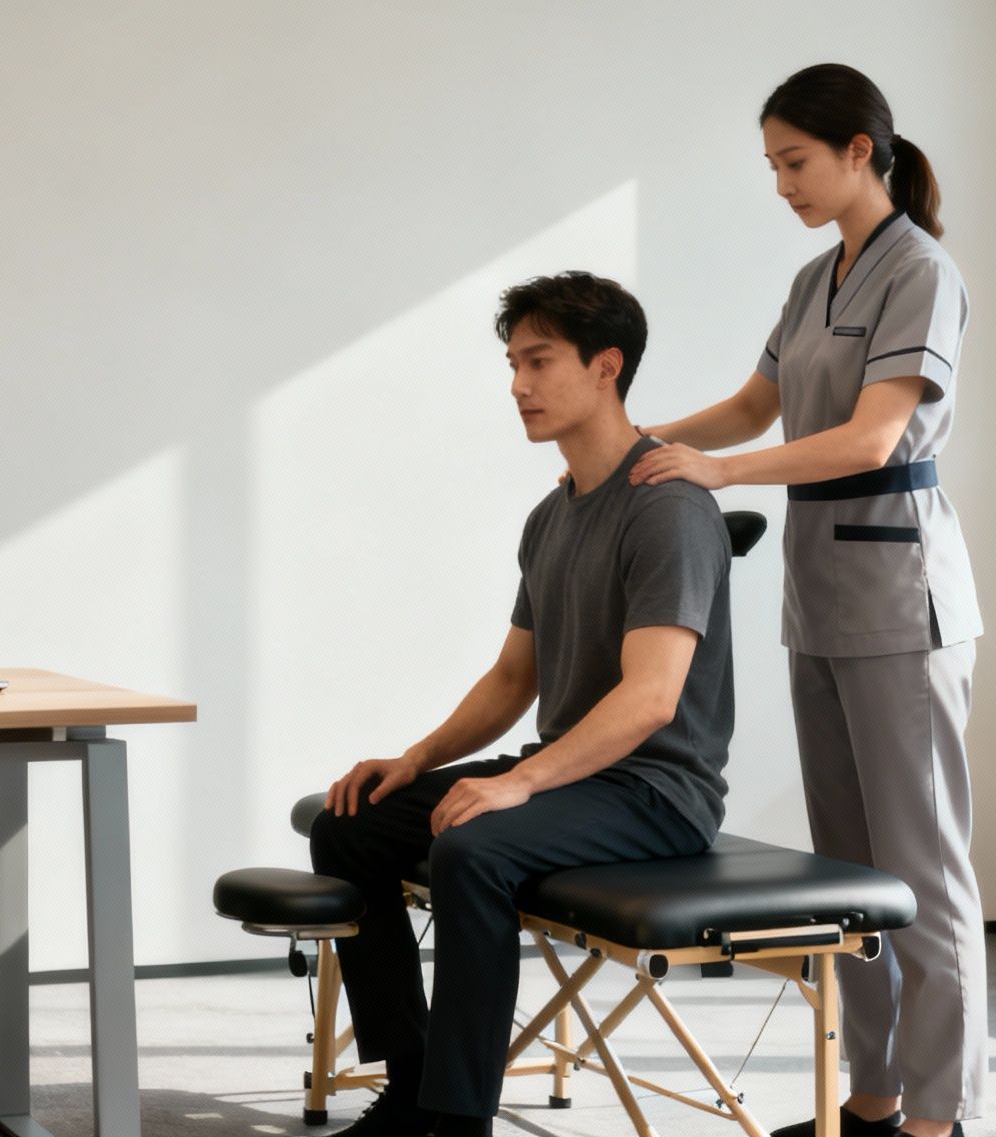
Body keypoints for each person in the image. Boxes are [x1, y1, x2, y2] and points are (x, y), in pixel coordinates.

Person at [626, 64, 986, 1137]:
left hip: (899, 593)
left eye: (794, 161)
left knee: (921, 866)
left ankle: (936, 1118)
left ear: (858, 152)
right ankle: (868, 1105)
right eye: (772, 164)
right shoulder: (811, 278)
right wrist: (636, 450)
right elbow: (751, 405)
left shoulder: (921, 272)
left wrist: (719, 475)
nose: (780, 182)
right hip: (819, 591)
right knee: (852, 875)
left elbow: (873, 436)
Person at [309, 271, 736, 1137]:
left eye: (538, 362)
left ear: (607, 365)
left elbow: (653, 700)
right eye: (512, 364)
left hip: (657, 792)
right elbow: (514, 680)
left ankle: (457, 1121)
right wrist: (418, 759)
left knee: (473, 849)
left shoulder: (671, 510)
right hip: (576, 778)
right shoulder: (552, 516)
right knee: (349, 822)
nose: (518, 386)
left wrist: (520, 784)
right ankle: (415, 1079)